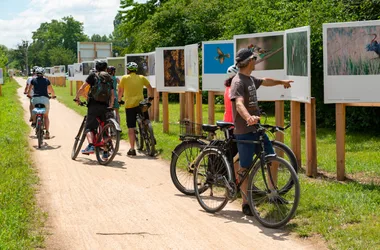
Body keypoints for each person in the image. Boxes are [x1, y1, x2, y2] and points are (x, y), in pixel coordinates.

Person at [229, 48, 292, 216]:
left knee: (272, 159)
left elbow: (265, 81)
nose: (256, 60)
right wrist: (248, 117)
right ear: (249, 61)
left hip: (257, 129)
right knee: (244, 167)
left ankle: (273, 193)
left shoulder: (249, 79)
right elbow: (239, 104)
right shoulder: (238, 82)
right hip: (244, 130)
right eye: (254, 58)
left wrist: (281, 82)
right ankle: (245, 202)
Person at [75, 60, 114, 157]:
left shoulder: (93, 75)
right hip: (105, 105)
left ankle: (91, 145)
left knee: (89, 127)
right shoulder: (109, 77)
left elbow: (83, 88)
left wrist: (77, 98)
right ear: (105, 68)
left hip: (93, 105)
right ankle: (105, 152)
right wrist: (111, 105)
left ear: (96, 67)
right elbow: (112, 94)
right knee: (104, 128)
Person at [118, 62, 153, 156]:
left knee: (131, 127)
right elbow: (149, 87)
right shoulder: (141, 77)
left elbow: (120, 90)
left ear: (128, 70)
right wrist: (150, 97)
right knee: (146, 119)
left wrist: (119, 100)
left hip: (129, 106)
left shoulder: (124, 78)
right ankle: (150, 135)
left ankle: (132, 149)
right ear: (136, 70)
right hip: (141, 104)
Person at [27, 67, 56, 139]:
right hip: (45, 99)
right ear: (43, 73)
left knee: (34, 111)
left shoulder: (33, 80)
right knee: (46, 116)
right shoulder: (46, 80)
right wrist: (53, 95)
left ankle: (34, 121)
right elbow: (51, 90)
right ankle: (47, 132)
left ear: (36, 73)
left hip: (35, 99)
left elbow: (29, 90)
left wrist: (28, 95)